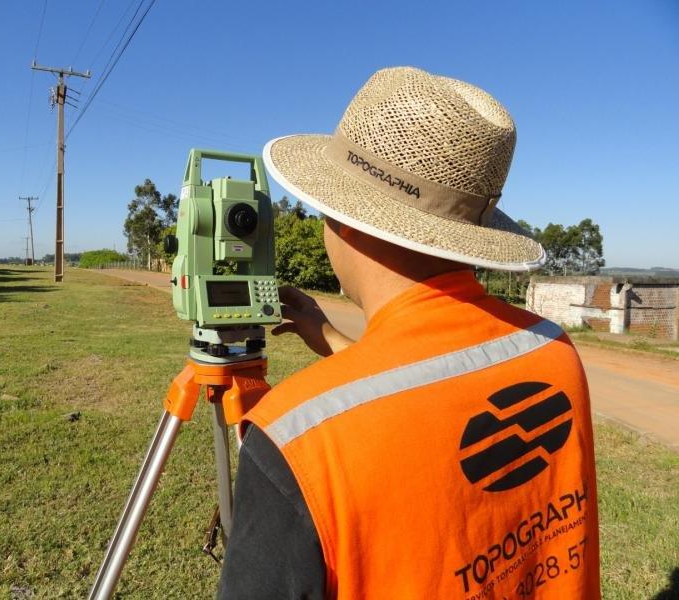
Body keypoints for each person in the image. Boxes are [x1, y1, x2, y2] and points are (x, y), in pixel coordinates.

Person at [218, 66, 600, 599]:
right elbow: (433, 401)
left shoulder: (295, 436)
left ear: (346, 218)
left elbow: (400, 412)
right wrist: (327, 337)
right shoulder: (552, 349)